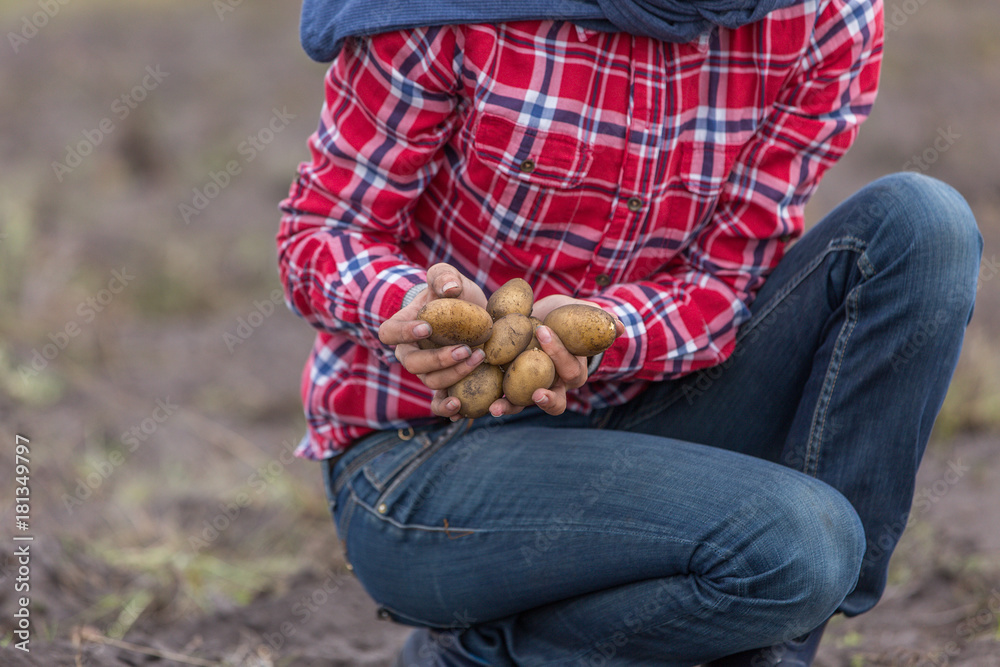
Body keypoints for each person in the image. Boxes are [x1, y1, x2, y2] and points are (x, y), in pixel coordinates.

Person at [276, 0, 982, 664]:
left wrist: (608, 331)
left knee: (924, 227)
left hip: (655, 419)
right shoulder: (446, 15)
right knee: (798, 546)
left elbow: (724, 280)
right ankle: (484, 653)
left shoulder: (824, 17)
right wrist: (405, 307)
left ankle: (776, 646)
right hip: (423, 457)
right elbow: (322, 230)